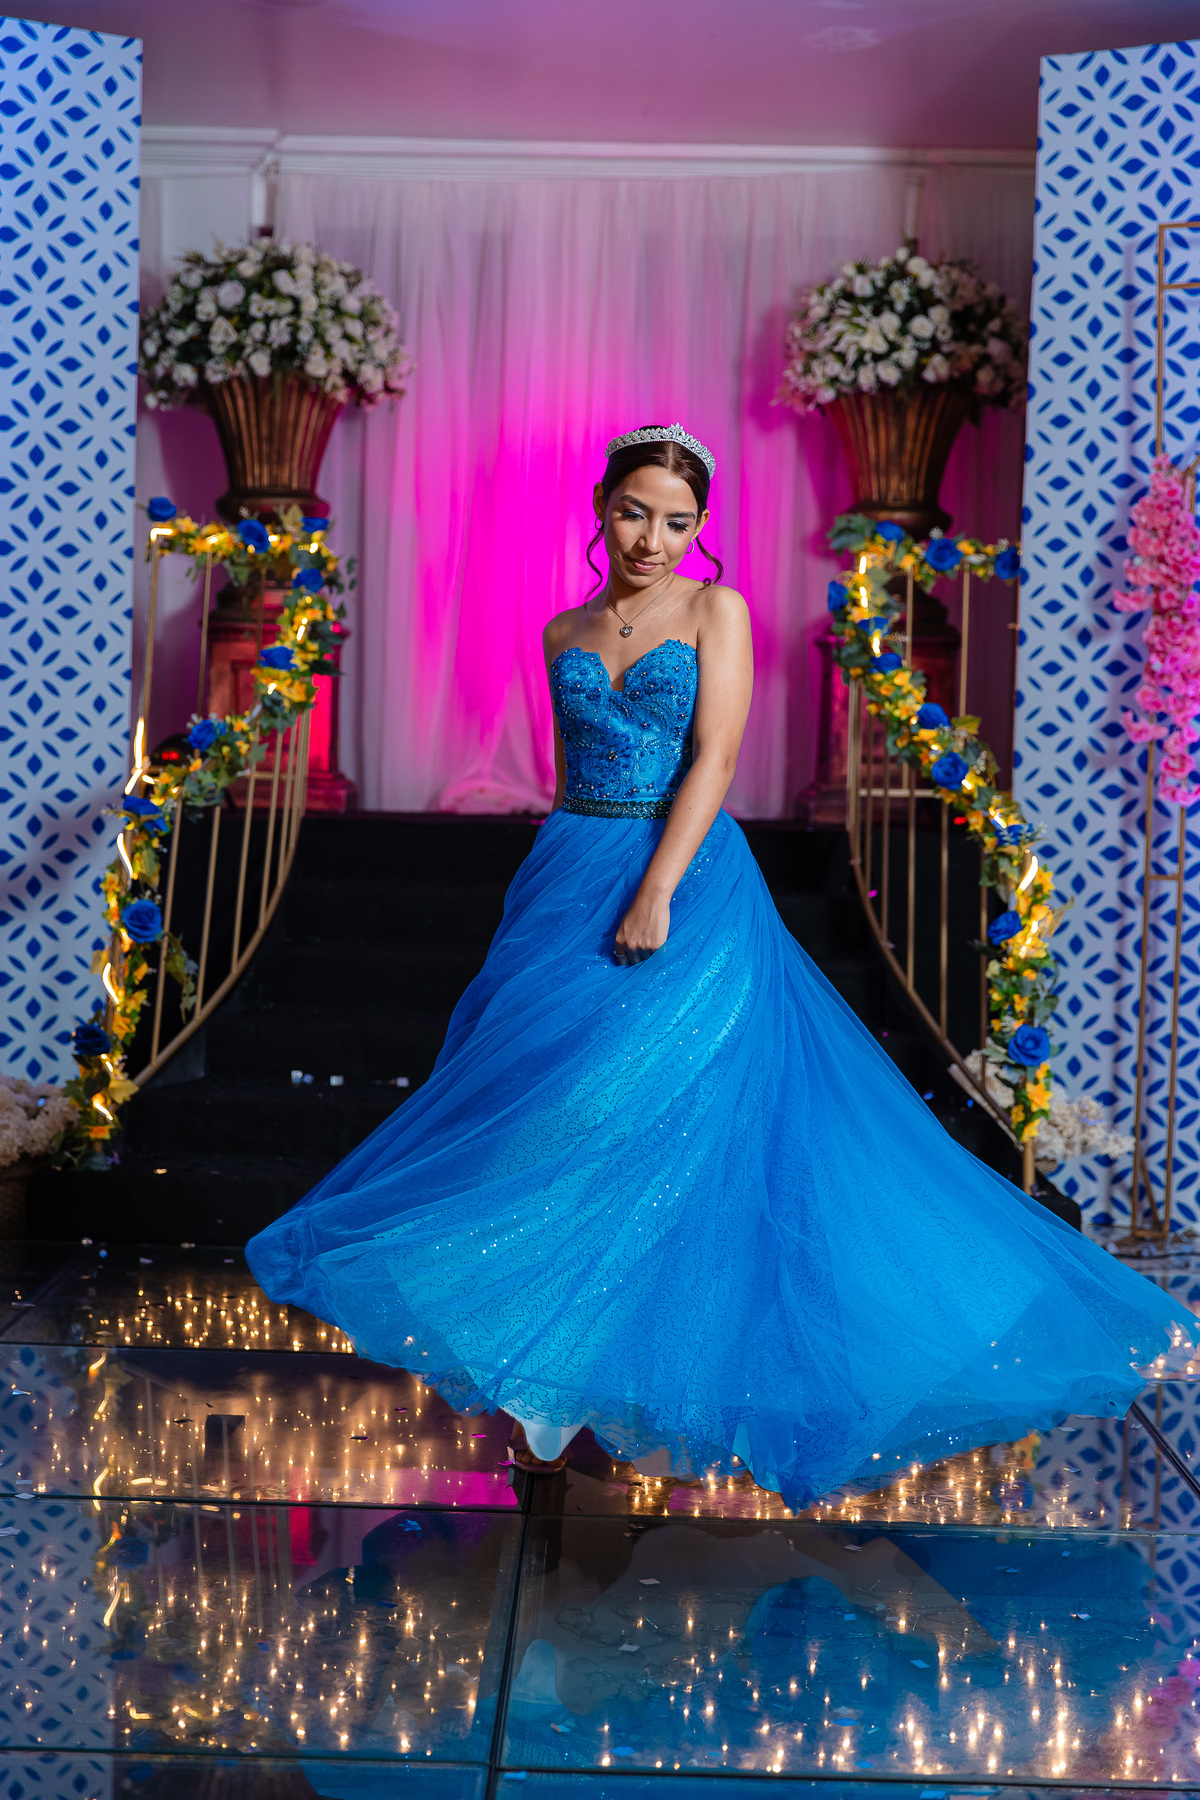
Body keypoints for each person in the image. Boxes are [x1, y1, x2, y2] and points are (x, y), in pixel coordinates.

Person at [247, 423, 1195, 1508]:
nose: (651, 538)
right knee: (551, 1121)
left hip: (685, 880)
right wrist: (564, 886)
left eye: (677, 521)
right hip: (569, 870)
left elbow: (717, 757)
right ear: (601, 509)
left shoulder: (716, 612)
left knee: (647, 1114)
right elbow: (570, 776)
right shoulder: (562, 629)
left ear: (699, 529)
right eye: (634, 512)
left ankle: (589, 1393)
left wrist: (655, 888)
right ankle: (555, 1379)